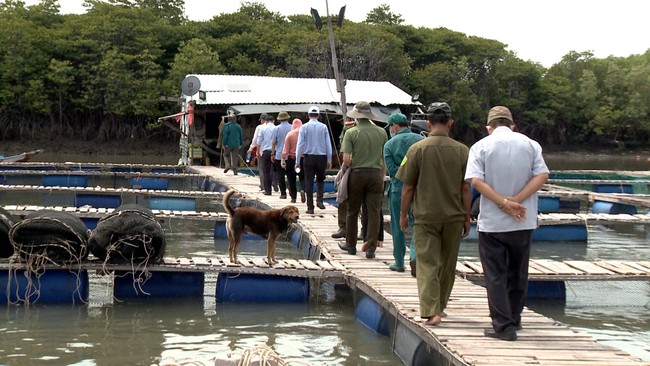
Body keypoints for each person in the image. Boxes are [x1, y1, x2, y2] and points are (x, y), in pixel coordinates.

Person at [464, 105, 549, 341]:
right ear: (512, 125)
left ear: (489, 127)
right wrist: (517, 200)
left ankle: (503, 326)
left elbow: (476, 182)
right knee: (518, 272)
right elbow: (542, 175)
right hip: (524, 219)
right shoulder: (531, 144)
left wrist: (503, 202)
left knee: (496, 275)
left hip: (493, 223)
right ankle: (515, 317)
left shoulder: (480, 146)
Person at [397, 102, 472, 326]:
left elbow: (408, 187)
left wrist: (403, 215)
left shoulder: (417, 150)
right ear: (450, 123)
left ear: (428, 123)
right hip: (454, 216)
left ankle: (431, 310)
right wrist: (467, 216)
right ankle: (440, 304)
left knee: (427, 262)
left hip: (426, 216)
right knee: (447, 264)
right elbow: (466, 188)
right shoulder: (462, 151)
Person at [338, 101, 387, 259]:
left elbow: (346, 159)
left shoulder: (351, 132)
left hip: (358, 173)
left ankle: (351, 245)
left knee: (353, 211)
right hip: (376, 174)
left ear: (357, 116)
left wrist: (356, 164)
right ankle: (371, 247)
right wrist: (381, 176)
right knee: (373, 212)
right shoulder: (381, 132)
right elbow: (383, 158)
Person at [383, 112, 424, 274]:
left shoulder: (389, 145)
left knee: (398, 225)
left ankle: (399, 262)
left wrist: (403, 173)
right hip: (419, 189)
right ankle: (415, 255)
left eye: (390, 127)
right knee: (418, 225)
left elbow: (392, 170)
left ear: (394, 126)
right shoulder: (422, 141)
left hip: (398, 189)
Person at [295, 106, 332, 214]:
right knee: (321, 179)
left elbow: (300, 144)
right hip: (321, 157)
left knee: (308, 182)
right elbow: (328, 144)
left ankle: (310, 207)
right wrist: (329, 159)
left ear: (308, 115)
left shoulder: (304, 127)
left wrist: (297, 161)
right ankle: (320, 200)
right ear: (319, 115)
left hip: (308, 157)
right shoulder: (324, 127)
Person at [332, 117, 357, 239]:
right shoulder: (378, 131)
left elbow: (345, 157)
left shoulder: (350, 130)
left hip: (351, 167)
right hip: (365, 169)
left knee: (343, 198)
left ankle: (344, 228)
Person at [281, 118, 305, 203]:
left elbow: (285, 149)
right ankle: (302, 189)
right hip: (302, 159)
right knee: (303, 177)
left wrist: (283, 159)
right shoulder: (304, 133)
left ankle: (293, 197)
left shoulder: (290, 134)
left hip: (291, 159)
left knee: (291, 179)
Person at [272, 111, 292, 199]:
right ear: (288, 118)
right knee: (290, 174)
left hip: (279, 155)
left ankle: (283, 193)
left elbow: (273, 142)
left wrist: (272, 153)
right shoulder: (292, 128)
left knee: (280, 174)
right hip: (290, 154)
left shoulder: (276, 129)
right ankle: (292, 191)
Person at [248, 114, 270, 191]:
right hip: (272, 152)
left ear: (263, 120)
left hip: (262, 151)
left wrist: (251, 148)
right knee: (271, 170)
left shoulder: (259, 127)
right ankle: (273, 184)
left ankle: (263, 185)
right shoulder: (273, 127)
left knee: (262, 169)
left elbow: (256, 140)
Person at [257, 113, 275, 195]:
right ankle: (275, 184)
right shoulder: (276, 128)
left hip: (266, 152)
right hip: (275, 152)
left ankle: (268, 190)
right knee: (274, 170)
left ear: (266, 121)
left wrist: (258, 152)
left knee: (266, 171)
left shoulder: (262, 128)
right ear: (273, 121)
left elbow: (259, 141)